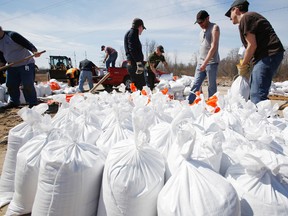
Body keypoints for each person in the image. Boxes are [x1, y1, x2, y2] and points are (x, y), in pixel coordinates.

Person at [225, 0, 284, 104]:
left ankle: (261, 118)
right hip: (267, 56)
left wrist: (243, 64)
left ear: (236, 10)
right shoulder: (249, 18)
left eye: (230, 13)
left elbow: (252, 46)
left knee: (257, 93)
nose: (229, 18)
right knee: (255, 89)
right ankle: (261, 115)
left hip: (268, 55)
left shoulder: (246, 18)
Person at [0, 26, 43, 111]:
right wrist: (1, 64)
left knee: (27, 84)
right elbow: (2, 55)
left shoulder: (12, 35)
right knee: (10, 84)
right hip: (11, 66)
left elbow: (27, 43)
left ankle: (32, 103)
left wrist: (34, 51)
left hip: (26, 64)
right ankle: (14, 102)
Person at [188, 10, 220, 104]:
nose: (200, 24)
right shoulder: (201, 32)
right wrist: (201, 62)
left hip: (211, 63)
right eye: (198, 23)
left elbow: (213, 47)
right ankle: (189, 103)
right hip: (200, 62)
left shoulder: (215, 28)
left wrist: (205, 63)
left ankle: (212, 105)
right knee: (196, 84)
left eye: (201, 22)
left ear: (208, 18)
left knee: (211, 86)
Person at [124, 18, 146, 91]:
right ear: (140, 27)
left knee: (136, 86)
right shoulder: (133, 34)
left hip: (133, 63)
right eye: (143, 28)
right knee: (141, 86)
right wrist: (138, 62)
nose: (142, 30)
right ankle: (140, 101)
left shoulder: (129, 33)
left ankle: (137, 99)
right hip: (135, 65)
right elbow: (132, 49)